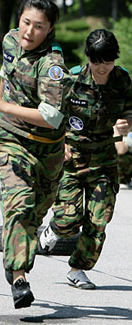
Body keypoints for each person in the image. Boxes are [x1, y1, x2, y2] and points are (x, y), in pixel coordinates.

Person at [0, 0, 69, 309]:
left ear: (50, 29)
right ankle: (19, 278)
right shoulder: (9, 39)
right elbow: (7, 74)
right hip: (11, 140)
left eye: (39, 26)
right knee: (19, 202)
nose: (29, 31)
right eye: (26, 22)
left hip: (47, 149)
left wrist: (2, 106)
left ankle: (14, 256)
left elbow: (52, 116)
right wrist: (3, 113)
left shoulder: (52, 65)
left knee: (35, 213)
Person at [39, 29, 132, 290]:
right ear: (88, 58)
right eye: (97, 62)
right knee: (69, 220)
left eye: (108, 62)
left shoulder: (122, 80)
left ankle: (78, 269)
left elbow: (129, 112)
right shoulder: (71, 79)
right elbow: (52, 116)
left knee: (99, 219)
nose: (103, 68)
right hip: (72, 158)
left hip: (104, 159)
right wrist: (61, 142)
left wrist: (126, 126)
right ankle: (53, 230)